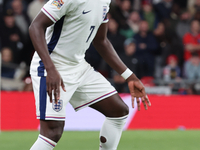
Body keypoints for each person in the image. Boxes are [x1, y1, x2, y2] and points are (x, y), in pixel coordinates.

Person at [29, 0, 151, 150]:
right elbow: (35, 26)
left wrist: (130, 76)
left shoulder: (105, 1)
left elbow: (101, 41)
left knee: (118, 111)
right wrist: (50, 69)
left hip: (79, 67)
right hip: (52, 65)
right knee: (52, 132)